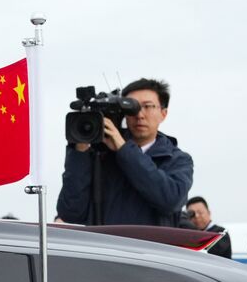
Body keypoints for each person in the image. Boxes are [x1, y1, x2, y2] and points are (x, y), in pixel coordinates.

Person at [56, 78, 194, 227]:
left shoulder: (177, 159)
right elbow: (70, 213)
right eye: (132, 107)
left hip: (151, 248)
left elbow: (170, 200)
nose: (140, 115)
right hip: (104, 248)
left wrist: (123, 149)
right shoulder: (101, 155)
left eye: (147, 106)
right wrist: (80, 151)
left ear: (163, 113)